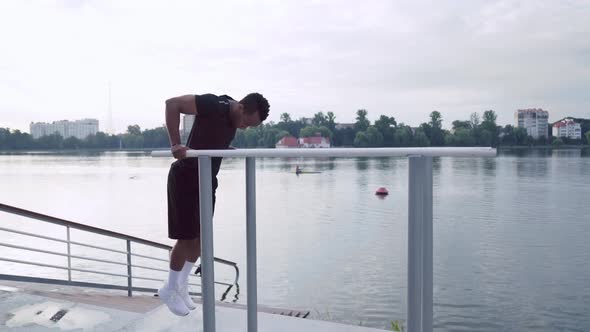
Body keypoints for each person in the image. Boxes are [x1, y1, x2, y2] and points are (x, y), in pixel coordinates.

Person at [159, 93, 270, 316]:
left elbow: (211, 137)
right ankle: (169, 288)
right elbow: (172, 104)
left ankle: (181, 284)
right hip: (185, 178)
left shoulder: (233, 119)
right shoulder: (212, 104)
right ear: (240, 108)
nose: (245, 128)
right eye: (247, 123)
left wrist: (222, 149)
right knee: (186, 238)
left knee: (202, 238)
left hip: (207, 180)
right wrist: (175, 144)